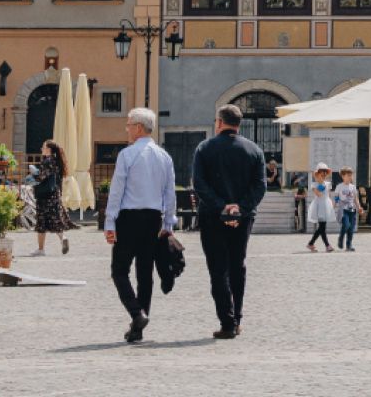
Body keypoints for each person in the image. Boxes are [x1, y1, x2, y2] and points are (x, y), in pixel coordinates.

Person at [103, 108, 178, 343]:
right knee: (145, 273)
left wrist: (109, 221)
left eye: (128, 125)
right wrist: (169, 221)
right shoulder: (164, 156)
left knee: (119, 270)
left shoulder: (127, 154)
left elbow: (117, 190)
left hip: (129, 217)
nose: (126, 129)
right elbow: (170, 192)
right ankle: (139, 327)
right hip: (153, 218)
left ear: (137, 127)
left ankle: (137, 313)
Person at [192, 104, 265, 340]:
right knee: (237, 266)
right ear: (238, 124)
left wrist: (222, 207)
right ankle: (238, 318)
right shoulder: (254, 150)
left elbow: (199, 184)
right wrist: (239, 209)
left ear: (219, 122)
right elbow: (260, 186)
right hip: (243, 219)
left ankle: (227, 321)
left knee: (217, 269)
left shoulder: (204, 148)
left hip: (212, 216)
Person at [32, 140, 73, 256]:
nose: (41, 149)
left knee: (41, 222)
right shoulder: (57, 161)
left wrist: (33, 174)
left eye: (43, 147)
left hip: (45, 196)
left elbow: (41, 177)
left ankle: (41, 249)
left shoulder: (47, 161)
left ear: (48, 150)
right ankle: (63, 237)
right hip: (55, 195)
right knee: (55, 220)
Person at [305, 163, 335, 252]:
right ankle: (327, 245)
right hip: (319, 206)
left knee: (322, 227)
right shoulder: (314, 184)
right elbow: (318, 194)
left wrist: (332, 204)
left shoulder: (328, 184)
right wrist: (321, 182)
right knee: (322, 227)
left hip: (326, 206)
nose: (324, 174)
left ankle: (311, 243)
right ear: (317, 173)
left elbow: (328, 195)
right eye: (322, 172)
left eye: (325, 172)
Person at [333, 166, 363, 251]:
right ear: (343, 176)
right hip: (343, 210)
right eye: (348, 175)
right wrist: (333, 206)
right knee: (346, 225)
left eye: (351, 175)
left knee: (351, 229)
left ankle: (349, 245)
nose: (350, 177)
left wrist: (359, 207)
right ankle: (341, 238)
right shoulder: (339, 186)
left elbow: (356, 199)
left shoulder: (353, 187)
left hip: (352, 210)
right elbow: (336, 198)